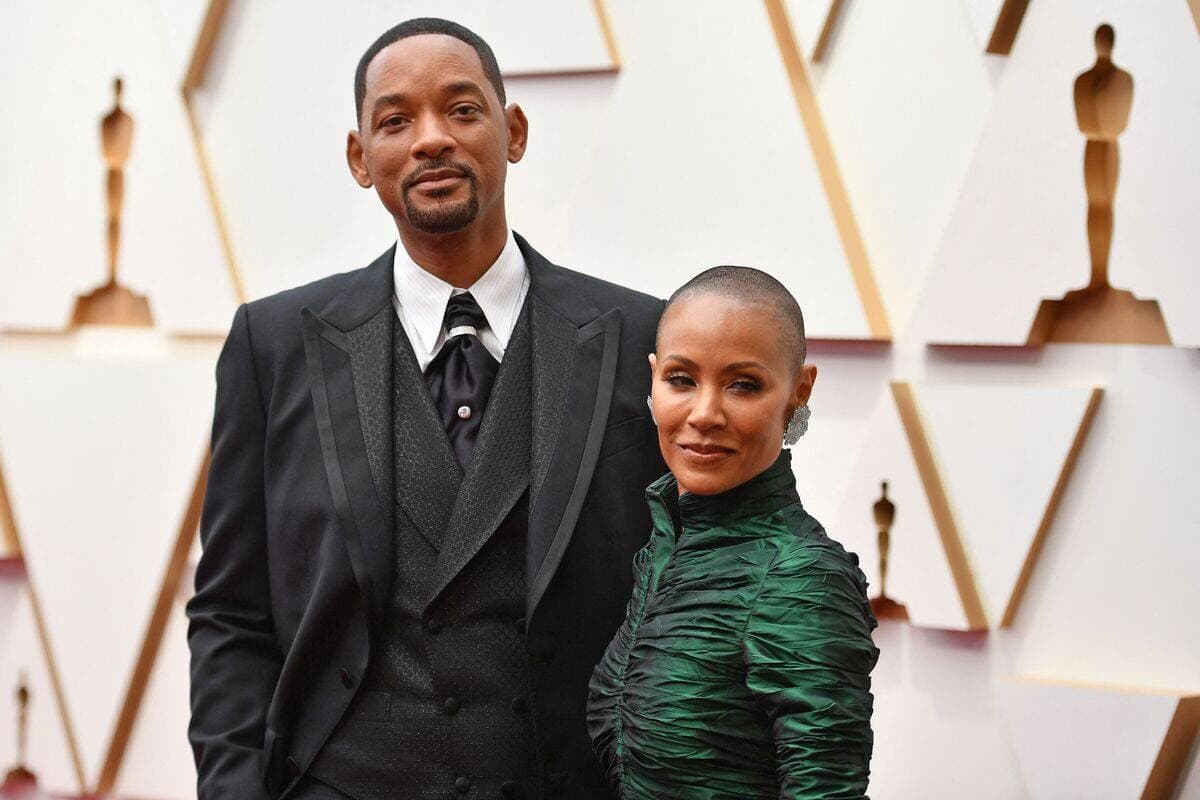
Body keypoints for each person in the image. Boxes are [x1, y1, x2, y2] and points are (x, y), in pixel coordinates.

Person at [187, 17, 665, 800]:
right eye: (396, 121)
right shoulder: (271, 346)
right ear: (359, 157)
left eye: (462, 110)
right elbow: (231, 613)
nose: (432, 139)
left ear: (514, 132)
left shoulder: (642, 338)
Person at [588, 267, 878, 799]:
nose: (704, 414)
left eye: (743, 385)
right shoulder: (662, 548)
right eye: (681, 379)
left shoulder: (800, 576)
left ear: (799, 391)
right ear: (652, 379)